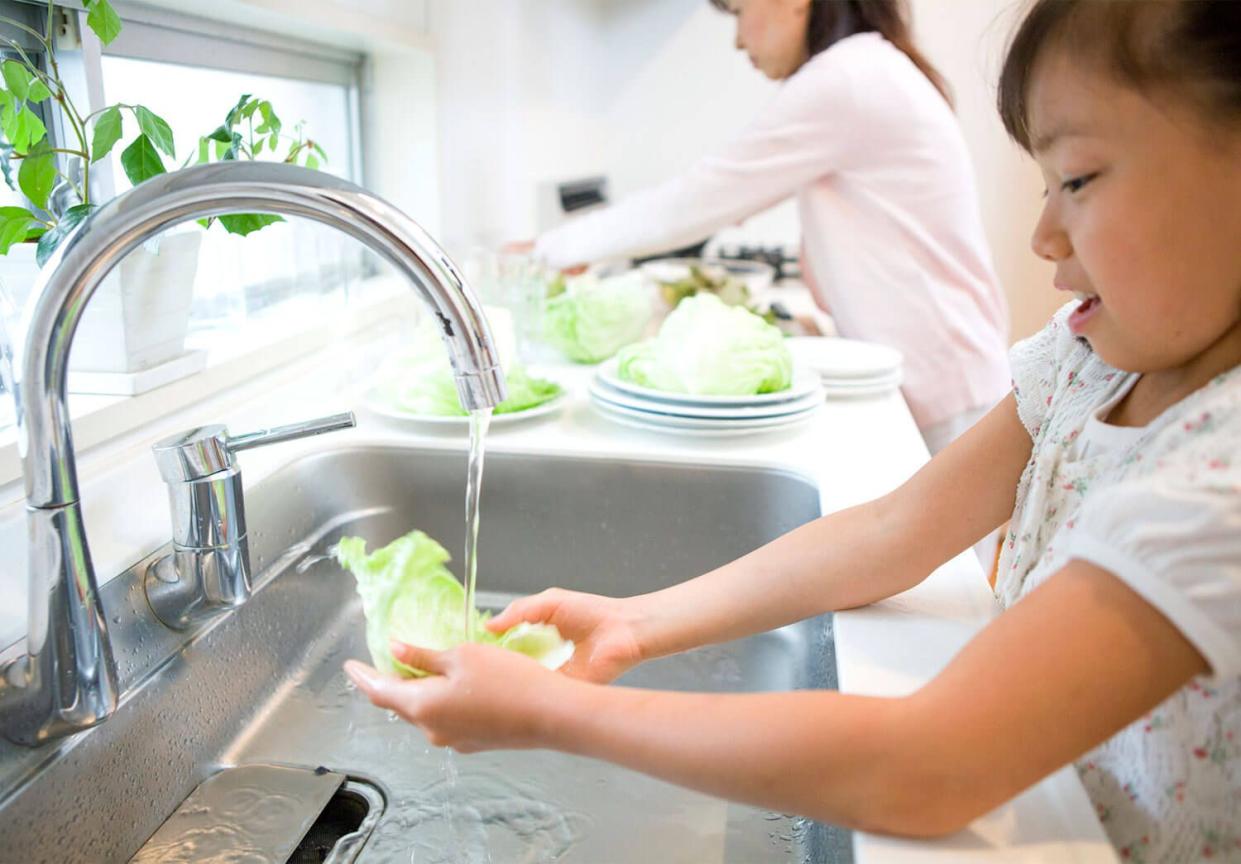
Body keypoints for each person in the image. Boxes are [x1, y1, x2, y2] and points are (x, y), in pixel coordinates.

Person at [346, 0, 1241, 856]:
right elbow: (894, 531)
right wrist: (636, 623)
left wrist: (547, 713)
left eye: (1075, 179)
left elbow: (929, 767)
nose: (1043, 233)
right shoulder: (1091, 362)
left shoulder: (1217, 479)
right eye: (1042, 185)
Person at [532, 0, 1012, 454]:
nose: (739, 41)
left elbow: (703, 197)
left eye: (740, 11)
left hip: (945, 390)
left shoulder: (846, 78)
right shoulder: (869, 68)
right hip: (953, 379)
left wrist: (548, 250)